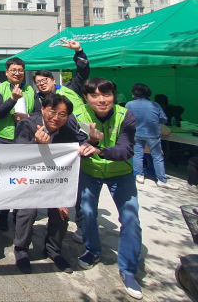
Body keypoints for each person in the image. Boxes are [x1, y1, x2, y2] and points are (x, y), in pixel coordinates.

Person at [75, 77, 143, 300]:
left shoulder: (126, 116)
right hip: (90, 172)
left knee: (131, 220)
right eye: (95, 95)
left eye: (107, 95)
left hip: (121, 174)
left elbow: (126, 149)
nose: (102, 100)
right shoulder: (79, 115)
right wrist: (89, 144)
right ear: (86, 98)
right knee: (86, 213)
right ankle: (92, 250)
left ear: (114, 96)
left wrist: (100, 150)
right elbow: (77, 142)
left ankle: (128, 270)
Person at [13, 93, 86, 274]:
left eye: (62, 115)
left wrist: (64, 195)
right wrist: (35, 143)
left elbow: (69, 165)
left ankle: (53, 249)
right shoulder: (27, 124)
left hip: (54, 179)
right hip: (28, 178)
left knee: (61, 213)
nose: (56, 118)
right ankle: (21, 249)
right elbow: (16, 155)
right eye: (52, 112)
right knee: (28, 211)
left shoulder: (68, 133)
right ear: (43, 109)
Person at [0, 56, 41, 231]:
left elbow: (39, 113)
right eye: (13, 70)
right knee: (5, 180)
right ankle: (3, 213)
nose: (17, 73)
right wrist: (11, 99)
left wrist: (27, 117)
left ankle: (19, 213)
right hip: (5, 139)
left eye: (20, 70)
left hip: (27, 141)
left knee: (23, 179)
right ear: (6, 72)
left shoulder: (30, 90)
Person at [126, 83, 177, 190]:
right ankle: (161, 179)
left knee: (138, 154)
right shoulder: (155, 105)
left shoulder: (129, 105)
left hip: (136, 133)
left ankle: (139, 176)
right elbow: (163, 119)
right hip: (153, 134)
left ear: (134, 93)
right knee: (157, 157)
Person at [33, 39, 89, 114]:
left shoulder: (70, 89)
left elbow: (82, 73)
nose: (42, 83)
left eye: (44, 80)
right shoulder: (36, 99)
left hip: (78, 125)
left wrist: (79, 51)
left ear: (53, 80)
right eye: (38, 82)